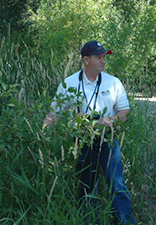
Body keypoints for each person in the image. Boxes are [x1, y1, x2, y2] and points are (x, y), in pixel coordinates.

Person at [42, 41, 136, 224]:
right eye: (98, 57)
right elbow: (54, 114)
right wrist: (43, 134)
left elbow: (124, 112)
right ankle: (89, 221)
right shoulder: (68, 83)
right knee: (86, 186)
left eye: (104, 57)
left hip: (109, 138)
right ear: (86, 60)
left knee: (117, 183)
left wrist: (112, 120)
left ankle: (124, 221)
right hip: (82, 140)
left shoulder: (113, 82)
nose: (103, 61)